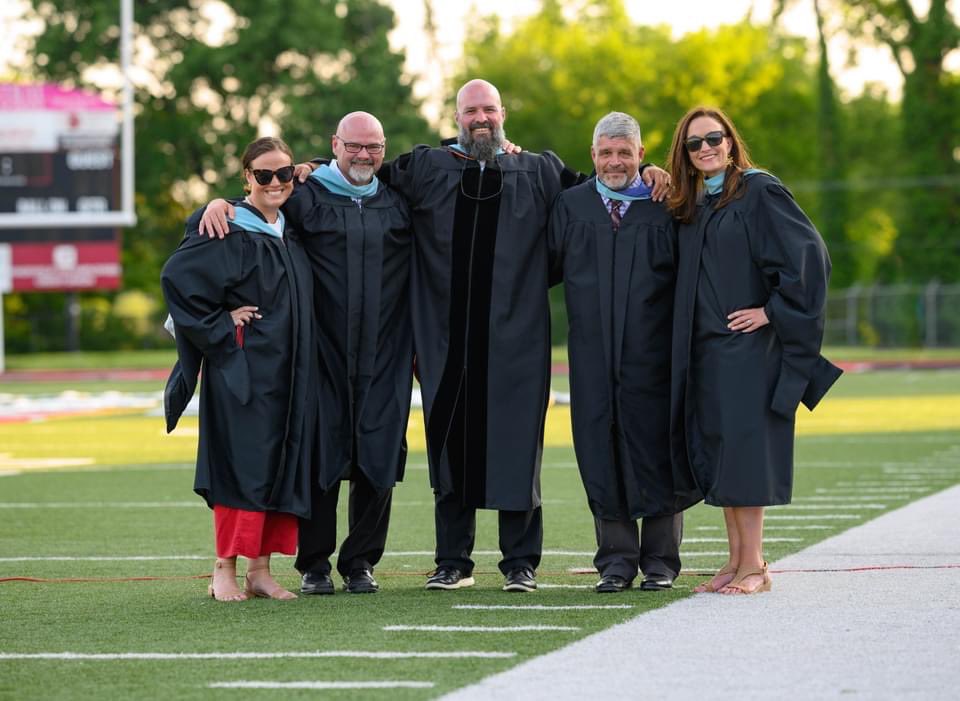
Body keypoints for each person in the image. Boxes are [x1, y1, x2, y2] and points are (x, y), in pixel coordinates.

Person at [197, 113, 413, 596]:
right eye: (353, 145)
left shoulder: (399, 201)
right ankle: (314, 564)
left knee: (379, 457)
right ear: (334, 144)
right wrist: (216, 203)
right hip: (321, 353)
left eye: (373, 146)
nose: (364, 155)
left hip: (386, 353)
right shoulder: (307, 194)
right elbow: (260, 204)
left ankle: (360, 563)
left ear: (384, 148)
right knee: (321, 455)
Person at [666, 106, 842, 595]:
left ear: (730, 141)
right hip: (709, 352)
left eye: (713, 138)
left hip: (748, 350)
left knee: (746, 453)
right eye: (694, 143)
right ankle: (735, 560)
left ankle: (756, 566)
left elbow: (809, 257)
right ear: (685, 153)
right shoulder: (700, 201)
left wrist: (772, 311)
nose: (706, 148)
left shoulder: (759, 190)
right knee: (724, 455)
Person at [162, 136, 317, 601]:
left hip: (289, 370)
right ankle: (223, 570)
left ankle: (261, 570)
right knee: (241, 465)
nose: (275, 182)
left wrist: (308, 167)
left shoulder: (289, 225)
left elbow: (346, 161)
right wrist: (218, 324)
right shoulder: (227, 226)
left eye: (284, 173)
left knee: (278, 464)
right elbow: (178, 278)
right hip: (243, 369)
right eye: (264, 174)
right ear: (246, 178)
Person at [548, 112, 693, 593]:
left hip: (653, 357)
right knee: (598, 448)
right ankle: (614, 561)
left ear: (641, 154)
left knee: (655, 450)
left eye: (624, 153)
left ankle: (660, 562)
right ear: (592, 156)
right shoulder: (571, 206)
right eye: (606, 153)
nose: (615, 162)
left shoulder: (665, 205)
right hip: (591, 358)